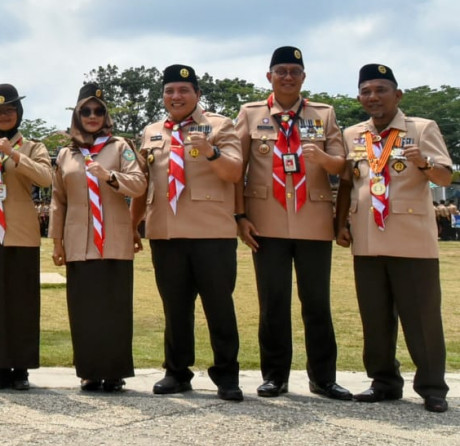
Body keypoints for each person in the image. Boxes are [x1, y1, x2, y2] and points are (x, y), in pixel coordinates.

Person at [234, 47, 350, 400]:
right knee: (273, 303)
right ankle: (275, 376)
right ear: (268, 76)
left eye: (294, 71)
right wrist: (239, 216)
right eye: (280, 70)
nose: (287, 76)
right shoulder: (251, 114)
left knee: (317, 303)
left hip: (313, 220)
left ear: (304, 77)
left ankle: (323, 378)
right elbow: (236, 169)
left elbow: (343, 166)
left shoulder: (324, 114)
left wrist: (325, 159)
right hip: (265, 222)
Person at [336, 63, 452, 413]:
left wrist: (425, 163)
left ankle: (432, 387)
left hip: (411, 239)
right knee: (375, 317)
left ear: (397, 95)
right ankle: (384, 382)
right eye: (367, 91)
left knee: (422, 318)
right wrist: (339, 222)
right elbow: (347, 182)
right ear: (360, 97)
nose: (373, 97)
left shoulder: (421, 129)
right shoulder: (353, 134)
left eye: (381, 90)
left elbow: (446, 177)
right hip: (368, 238)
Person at [130, 64, 245, 401]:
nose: (176, 96)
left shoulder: (220, 126)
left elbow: (235, 171)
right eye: (170, 91)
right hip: (166, 231)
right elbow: (143, 182)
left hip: (212, 233)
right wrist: (133, 225)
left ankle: (227, 375)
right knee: (175, 308)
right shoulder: (152, 131)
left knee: (219, 307)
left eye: (183, 90)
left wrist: (211, 151)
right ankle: (176, 372)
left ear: (197, 94)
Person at [50, 83, 146, 392]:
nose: (93, 116)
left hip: (115, 239)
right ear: (77, 115)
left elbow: (139, 184)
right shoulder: (67, 153)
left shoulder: (120, 147)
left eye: (99, 111)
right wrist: (56, 242)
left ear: (106, 115)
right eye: (86, 111)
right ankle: (90, 371)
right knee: (84, 310)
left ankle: (114, 371)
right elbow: (57, 200)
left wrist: (110, 177)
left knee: (115, 309)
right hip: (79, 241)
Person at [0, 84, 54, 391]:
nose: (3, 115)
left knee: (23, 302)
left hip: (21, 233)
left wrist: (14, 155)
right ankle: (0, 366)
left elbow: (45, 178)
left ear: (19, 113)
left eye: (9, 110)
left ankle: (22, 368)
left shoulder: (34, 147)